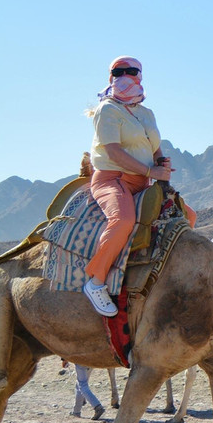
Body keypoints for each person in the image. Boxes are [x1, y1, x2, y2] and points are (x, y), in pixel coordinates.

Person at [82, 56, 173, 317]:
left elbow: (155, 147)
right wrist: (149, 170)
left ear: (140, 76)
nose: (124, 75)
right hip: (114, 179)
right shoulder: (107, 109)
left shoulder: (147, 113)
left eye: (131, 71)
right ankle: (96, 281)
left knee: (187, 216)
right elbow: (112, 150)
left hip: (144, 182)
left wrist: (161, 164)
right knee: (123, 221)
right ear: (110, 76)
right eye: (118, 71)